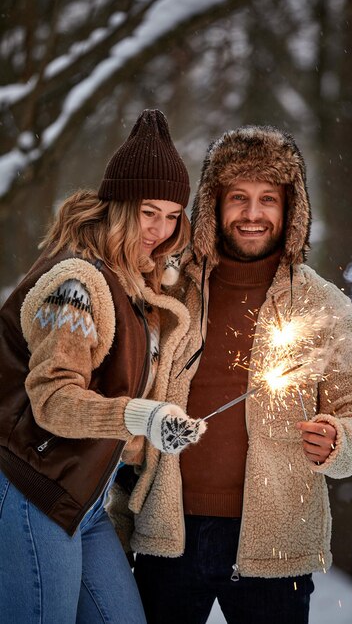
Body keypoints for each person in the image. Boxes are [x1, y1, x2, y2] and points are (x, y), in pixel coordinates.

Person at [111, 123, 352, 624]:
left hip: (275, 545)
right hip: (168, 535)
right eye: (238, 197)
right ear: (214, 205)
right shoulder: (168, 290)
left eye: (268, 199)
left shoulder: (323, 304)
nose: (253, 214)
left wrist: (340, 440)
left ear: (290, 209)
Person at [0, 109, 206, 624]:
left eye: (172, 215)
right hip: (32, 490)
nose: (160, 231)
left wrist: (155, 431)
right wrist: (142, 416)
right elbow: (54, 402)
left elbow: (111, 401)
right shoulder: (78, 284)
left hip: (84, 500)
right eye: (148, 212)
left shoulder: (133, 287)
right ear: (119, 205)